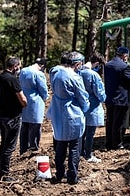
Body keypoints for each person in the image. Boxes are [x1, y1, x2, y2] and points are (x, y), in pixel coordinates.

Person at [46, 51, 89, 185]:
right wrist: (85, 108)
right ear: (77, 64)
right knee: (75, 146)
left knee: (60, 145)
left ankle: (59, 174)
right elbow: (82, 97)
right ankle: (72, 176)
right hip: (72, 113)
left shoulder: (56, 73)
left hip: (58, 111)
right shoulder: (75, 77)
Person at [0, 56, 27, 181]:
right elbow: (22, 99)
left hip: (1, 115)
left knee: (3, 144)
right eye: (18, 66)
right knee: (9, 146)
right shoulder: (13, 79)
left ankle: (1, 171)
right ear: (15, 66)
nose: (19, 69)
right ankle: (4, 174)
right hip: (12, 116)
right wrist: (24, 104)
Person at [103, 46, 130, 150]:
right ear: (125, 55)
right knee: (119, 122)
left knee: (110, 122)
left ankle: (109, 143)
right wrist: (129, 89)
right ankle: (117, 144)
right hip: (121, 98)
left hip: (110, 97)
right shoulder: (124, 66)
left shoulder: (108, 65)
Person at [80, 53, 106, 163]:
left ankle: (80, 153)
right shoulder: (93, 75)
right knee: (90, 133)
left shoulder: (80, 72)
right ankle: (88, 155)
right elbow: (99, 93)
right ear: (96, 63)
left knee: (82, 132)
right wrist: (104, 97)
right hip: (93, 106)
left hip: (82, 105)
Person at [19, 57, 48, 155]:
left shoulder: (23, 71)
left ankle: (23, 149)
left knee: (24, 125)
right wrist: (45, 97)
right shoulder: (39, 74)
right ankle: (33, 148)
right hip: (35, 102)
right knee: (35, 125)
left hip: (23, 100)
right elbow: (43, 90)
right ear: (43, 66)